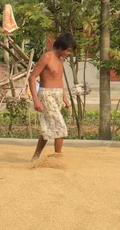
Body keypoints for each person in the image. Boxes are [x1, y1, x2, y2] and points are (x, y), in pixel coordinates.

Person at [27, 33, 75, 161]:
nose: (69, 53)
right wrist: (35, 100)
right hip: (46, 94)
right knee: (60, 127)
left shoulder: (60, 59)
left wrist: (65, 98)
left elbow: (59, 79)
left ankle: (36, 156)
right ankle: (57, 158)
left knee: (48, 127)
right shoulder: (47, 57)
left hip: (58, 94)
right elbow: (32, 78)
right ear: (60, 47)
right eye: (68, 50)